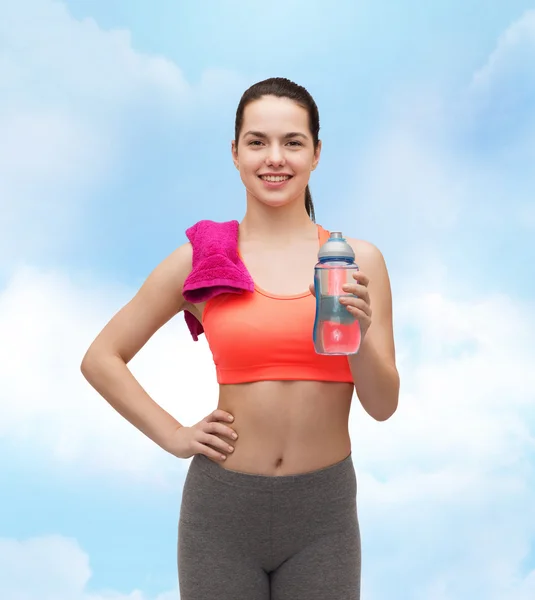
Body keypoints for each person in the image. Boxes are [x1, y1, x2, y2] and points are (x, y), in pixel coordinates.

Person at [81, 77, 399, 600]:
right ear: (235, 153)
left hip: (324, 513)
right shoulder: (203, 259)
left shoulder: (356, 262)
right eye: (257, 142)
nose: (275, 158)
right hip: (221, 511)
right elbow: (101, 357)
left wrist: (359, 338)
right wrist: (174, 435)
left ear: (317, 153)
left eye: (292, 142)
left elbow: (383, 406)